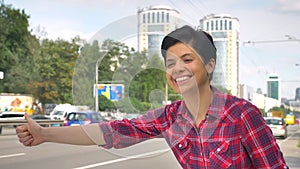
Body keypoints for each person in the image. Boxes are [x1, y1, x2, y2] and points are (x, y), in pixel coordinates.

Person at [16, 25, 288, 169]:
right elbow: (110, 131)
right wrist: (44, 134)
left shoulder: (242, 114)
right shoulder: (171, 118)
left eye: (187, 59)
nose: (177, 69)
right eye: (170, 63)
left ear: (210, 65)